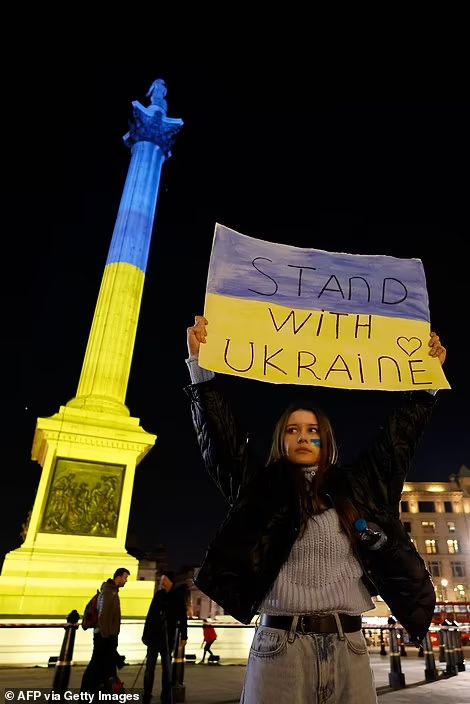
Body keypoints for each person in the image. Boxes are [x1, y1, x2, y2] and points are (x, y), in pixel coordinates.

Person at [185, 315, 447, 704]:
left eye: (313, 431)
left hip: (350, 647)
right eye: (293, 430)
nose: (303, 436)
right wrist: (200, 369)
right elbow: (221, 444)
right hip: (279, 649)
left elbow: (398, 440)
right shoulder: (260, 488)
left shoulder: (360, 486)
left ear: (327, 442)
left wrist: (426, 381)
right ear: (281, 440)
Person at [142, 571, 188, 704]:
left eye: (164, 580)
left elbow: (183, 618)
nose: (162, 582)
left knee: (167, 669)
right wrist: (146, 635)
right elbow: (150, 616)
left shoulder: (178, 597)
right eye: (161, 580)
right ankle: (147, 693)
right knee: (149, 667)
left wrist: (184, 636)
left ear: (170, 581)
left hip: (168, 638)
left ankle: (166, 695)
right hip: (154, 637)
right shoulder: (158, 595)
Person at [81, 567, 130, 693]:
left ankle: (95, 691)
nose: (126, 581)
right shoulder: (109, 592)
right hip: (105, 637)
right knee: (97, 666)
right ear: (118, 577)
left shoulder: (112, 591)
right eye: (125, 578)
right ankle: (90, 691)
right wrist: (106, 636)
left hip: (105, 636)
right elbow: (103, 615)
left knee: (100, 666)